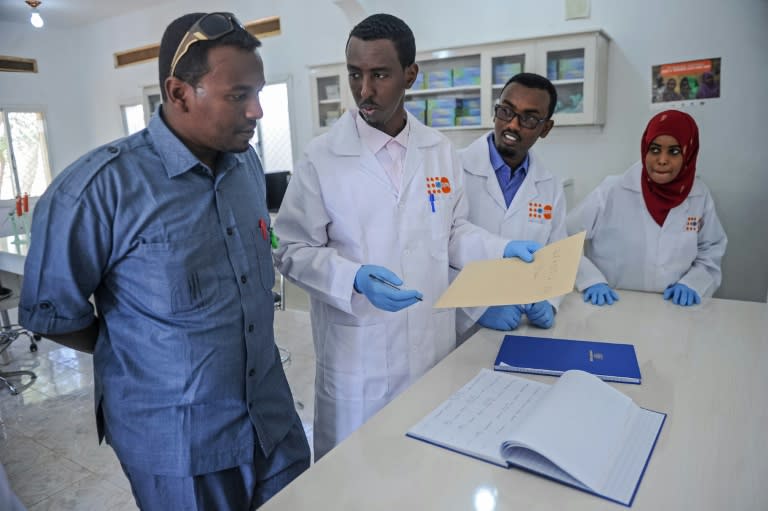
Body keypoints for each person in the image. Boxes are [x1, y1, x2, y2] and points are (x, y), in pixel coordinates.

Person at [19, 12, 309, 510]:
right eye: (238, 95)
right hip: (182, 444)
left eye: (258, 92)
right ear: (178, 94)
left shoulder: (246, 167)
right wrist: (143, 351)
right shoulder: (97, 191)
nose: (257, 111)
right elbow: (50, 315)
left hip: (272, 422)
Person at [273, 13, 539, 460]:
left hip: (430, 351)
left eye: (379, 74)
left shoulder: (440, 152)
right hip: (359, 357)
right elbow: (293, 251)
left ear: (410, 75)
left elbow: (453, 233)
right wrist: (353, 279)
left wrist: (501, 249)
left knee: (426, 474)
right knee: (355, 481)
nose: (364, 90)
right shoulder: (321, 157)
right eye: (355, 74)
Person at [566, 110, 727, 307]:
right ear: (645, 149)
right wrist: (590, 280)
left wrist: (693, 283)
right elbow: (565, 237)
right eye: (655, 149)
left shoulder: (699, 196)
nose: (662, 160)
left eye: (674, 151)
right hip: (612, 304)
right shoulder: (612, 190)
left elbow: (711, 248)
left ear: (689, 153)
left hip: (674, 309)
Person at [456, 73, 566, 339]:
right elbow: (437, 253)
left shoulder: (550, 185)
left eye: (529, 118)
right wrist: (478, 307)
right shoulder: (454, 169)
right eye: (506, 111)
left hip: (523, 327)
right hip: (460, 328)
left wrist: (549, 301)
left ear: (546, 128)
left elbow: (557, 256)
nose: (513, 125)